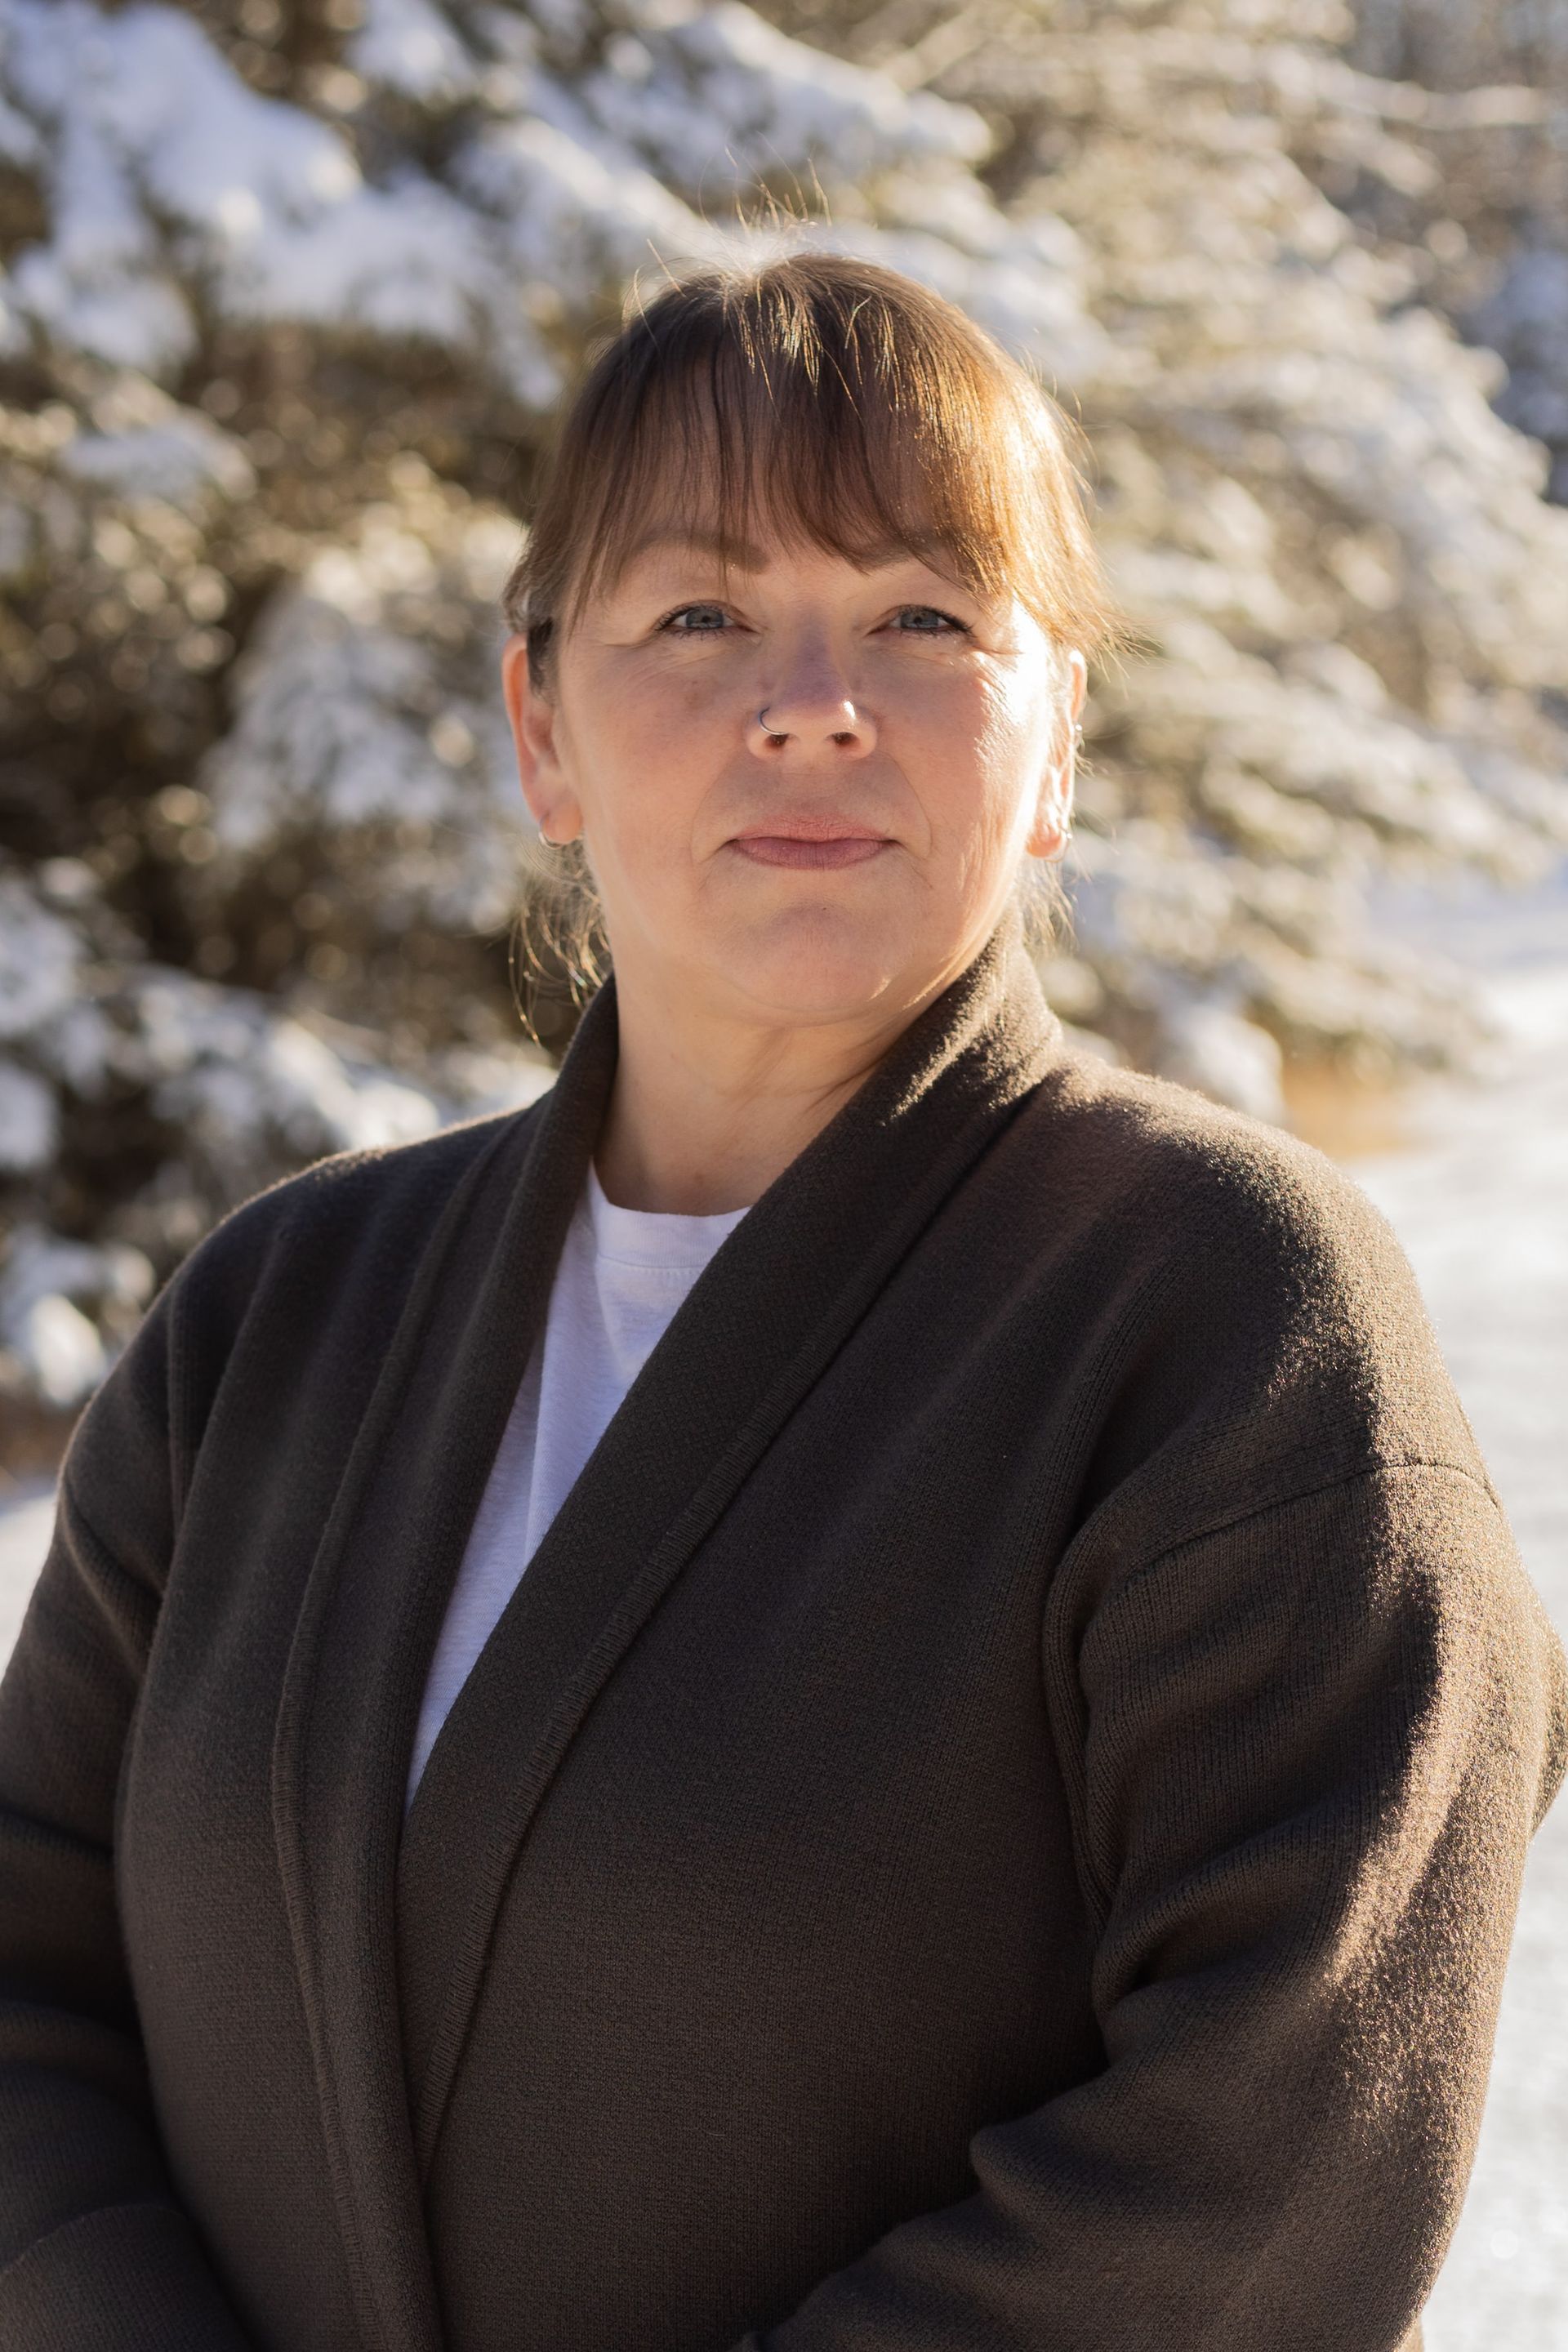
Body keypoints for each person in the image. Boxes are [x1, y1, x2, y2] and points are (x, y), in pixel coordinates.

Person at [0, 252, 1562, 2352]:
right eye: (701, 613)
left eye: (926, 616)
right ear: (541, 722)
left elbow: (1272, 2148)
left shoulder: (1225, 1320)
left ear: (1059, 737)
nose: (815, 698)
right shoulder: (279, 1315)